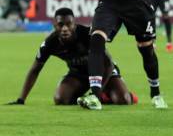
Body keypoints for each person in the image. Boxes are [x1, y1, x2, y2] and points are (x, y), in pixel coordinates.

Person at [7, 8, 136, 109]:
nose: (64, 28)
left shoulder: (88, 34)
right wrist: (21, 99)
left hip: (103, 73)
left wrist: (96, 92)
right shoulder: (49, 43)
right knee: (60, 99)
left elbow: (108, 64)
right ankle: (89, 97)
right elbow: (35, 69)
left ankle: (103, 96)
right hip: (78, 75)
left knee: (123, 100)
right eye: (60, 25)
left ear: (74, 25)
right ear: (54, 26)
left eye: (68, 24)